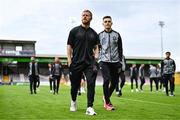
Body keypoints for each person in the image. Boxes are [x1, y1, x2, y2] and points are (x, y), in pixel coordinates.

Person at [67, 10, 99, 115]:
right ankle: (73, 101)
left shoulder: (94, 33)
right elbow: (69, 47)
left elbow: (96, 47)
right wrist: (69, 61)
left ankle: (89, 107)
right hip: (76, 62)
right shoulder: (74, 31)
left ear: (91, 18)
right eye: (83, 15)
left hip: (89, 63)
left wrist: (96, 60)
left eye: (87, 15)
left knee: (91, 84)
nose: (85, 17)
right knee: (75, 86)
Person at [99, 16, 123, 110]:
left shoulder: (117, 34)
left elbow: (120, 49)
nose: (107, 23)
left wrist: (120, 61)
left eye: (109, 21)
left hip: (115, 62)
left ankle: (106, 96)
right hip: (104, 61)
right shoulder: (100, 35)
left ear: (111, 23)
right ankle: (108, 103)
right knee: (106, 79)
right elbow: (97, 48)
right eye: (105, 21)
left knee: (115, 82)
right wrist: (98, 60)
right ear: (103, 24)